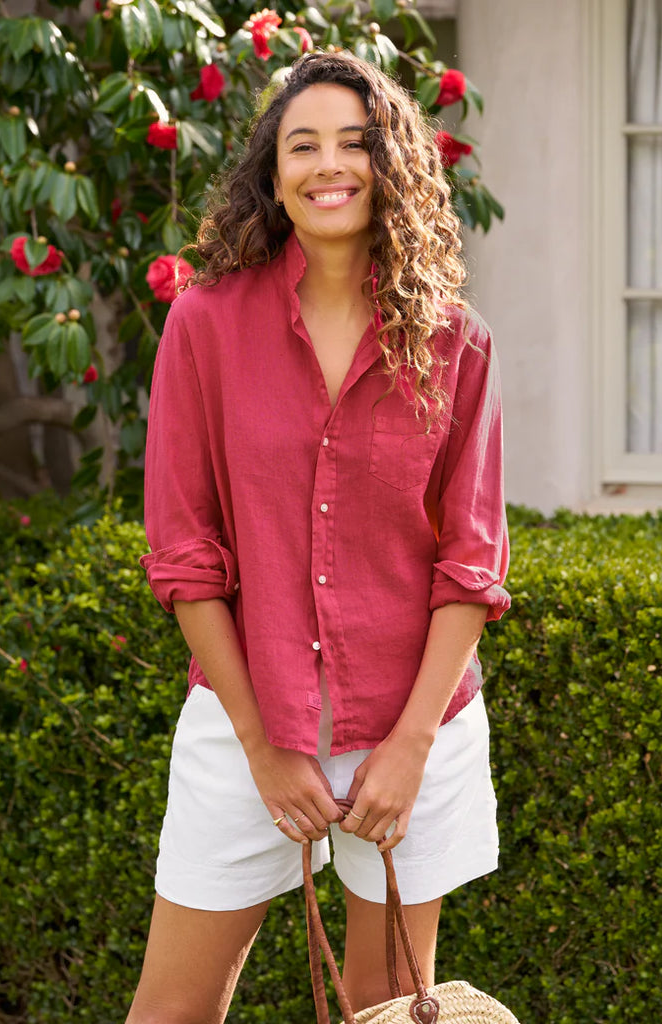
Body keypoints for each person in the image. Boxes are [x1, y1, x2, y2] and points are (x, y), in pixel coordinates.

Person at [131, 49, 510, 1024]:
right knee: (170, 1011)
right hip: (248, 726)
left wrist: (407, 749)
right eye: (302, 144)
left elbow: (470, 562)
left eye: (355, 140)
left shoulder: (455, 343)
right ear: (272, 172)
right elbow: (184, 555)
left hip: (412, 734)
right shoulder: (205, 327)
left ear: (394, 165)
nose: (327, 163)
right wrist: (264, 749)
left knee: (385, 1004)